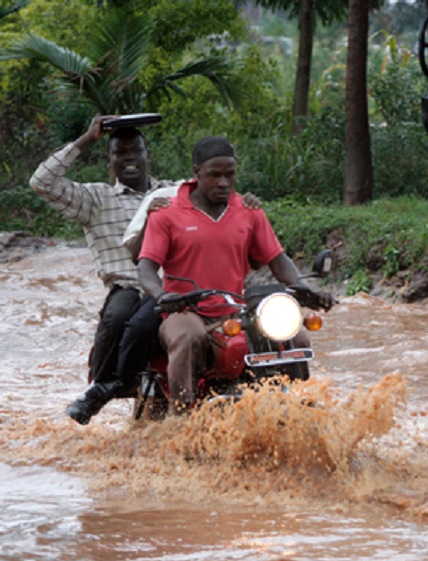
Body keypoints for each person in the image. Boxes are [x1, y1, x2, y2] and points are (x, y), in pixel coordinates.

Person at [137, 136, 334, 413]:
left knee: (296, 336)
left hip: (236, 310)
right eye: (214, 175)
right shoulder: (167, 214)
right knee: (188, 338)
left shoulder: (248, 211)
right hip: (185, 310)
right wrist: (162, 295)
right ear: (197, 172)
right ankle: (180, 418)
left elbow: (277, 259)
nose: (223, 182)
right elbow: (145, 267)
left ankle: (300, 410)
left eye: (230, 175)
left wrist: (304, 288)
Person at [29, 116, 181, 424]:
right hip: (127, 286)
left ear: (146, 154)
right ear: (109, 160)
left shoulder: (172, 193)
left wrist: (245, 202)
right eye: (119, 153)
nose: (129, 159)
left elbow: (215, 192)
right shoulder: (95, 199)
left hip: (174, 289)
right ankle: (103, 385)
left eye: (135, 151)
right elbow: (41, 182)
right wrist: (87, 139)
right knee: (118, 316)